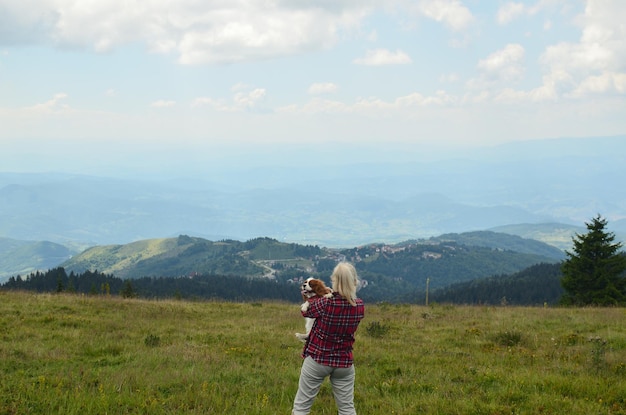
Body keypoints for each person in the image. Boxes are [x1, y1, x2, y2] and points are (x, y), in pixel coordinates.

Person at [292, 262, 365, 415]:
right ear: (355, 282)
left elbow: (306, 312)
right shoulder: (359, 305)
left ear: (334, 280)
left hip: (318, 359)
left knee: (302, 407)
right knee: (347, 408)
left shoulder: (326, 302)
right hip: (344, 362)